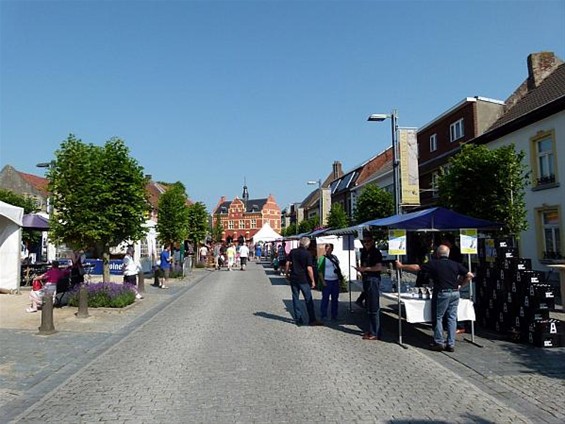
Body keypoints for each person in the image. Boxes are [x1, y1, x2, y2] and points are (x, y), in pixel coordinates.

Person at [395, 244, 473, 352]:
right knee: (452, 318)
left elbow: (417, 267)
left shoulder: (434, 263)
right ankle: (451, 344)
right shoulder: (455, 264)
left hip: (442, 293)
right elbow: (470, 275)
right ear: (448, 254)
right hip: (455, 293)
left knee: (438, 318)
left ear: (437, 254)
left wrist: (401, 266)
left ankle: (439, 342)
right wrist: (461, 285)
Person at [284, 237, 323, 327]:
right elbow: (309, 268)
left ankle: (299, 319)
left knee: (295, 298)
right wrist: (313, 281)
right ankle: (312, 319)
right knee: (308, 299)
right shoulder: (307, 254)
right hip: (303, 279)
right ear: (307, 245)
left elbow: (287, 263)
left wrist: (286, 274)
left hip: (294, 278)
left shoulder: (293, 251)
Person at [354, 233, 384, 340]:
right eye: (364, 241)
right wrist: (361, 269)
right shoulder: (364, 252)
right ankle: (371, 330)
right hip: (367, 279)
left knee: (373, 307)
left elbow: (379, 267)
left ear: (372, 241)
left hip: (373, 280)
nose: (366, 243)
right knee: (369, 306)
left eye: (368, 241)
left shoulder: (376, 252)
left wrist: (365, 269)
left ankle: (375, 332)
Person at [318, 243, 343, 321]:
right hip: (327, 281)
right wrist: (323, 281)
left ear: (332, 249)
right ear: (325, 249)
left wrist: (339, 279)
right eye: (327, 248)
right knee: (325, 299)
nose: (329, 250)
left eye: (330, 248)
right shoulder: (322, 258)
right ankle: (323, 314)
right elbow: (319, 271)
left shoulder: (335, 257)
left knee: (335, 299)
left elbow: (338, 268)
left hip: (335, 281)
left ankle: (334, 315)